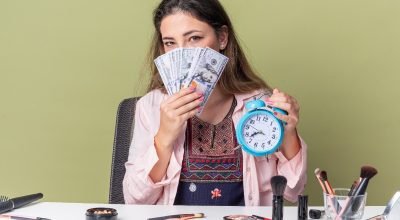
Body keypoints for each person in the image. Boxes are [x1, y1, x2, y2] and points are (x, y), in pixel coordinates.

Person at [123, 0, 307, 206]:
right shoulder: (150, 106)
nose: (182, 53)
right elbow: (135, 200)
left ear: (222, 38)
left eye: (194, 38)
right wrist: (164, 139)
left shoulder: (261, 103)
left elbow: (293, 189)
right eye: (170, 43)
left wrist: (289, 133)